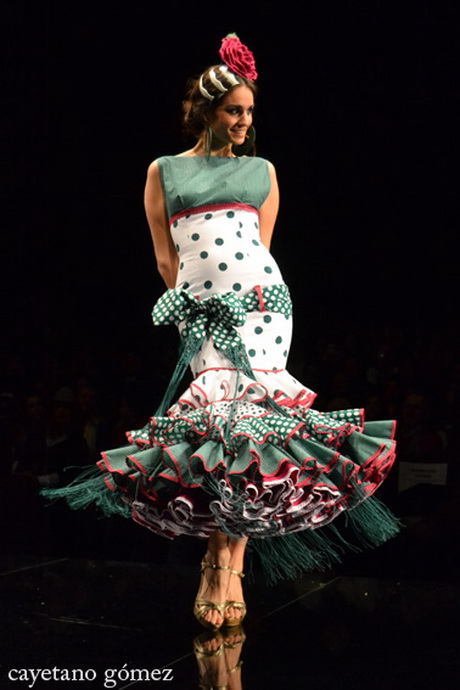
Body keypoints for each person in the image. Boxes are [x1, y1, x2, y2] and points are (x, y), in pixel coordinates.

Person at [43, 34, 399, 632]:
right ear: (206, 110)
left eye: (250, 112)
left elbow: (260, 246)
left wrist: (246, 293)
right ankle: (222, 562)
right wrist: (190, 307)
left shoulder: (261, 170)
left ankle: (225, 564)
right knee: (220, 428)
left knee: (248, 429)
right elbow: (165, 260)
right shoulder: (165, 170)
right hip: (202, 307)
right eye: (234, 110)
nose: (243, 121)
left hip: (264, 304)